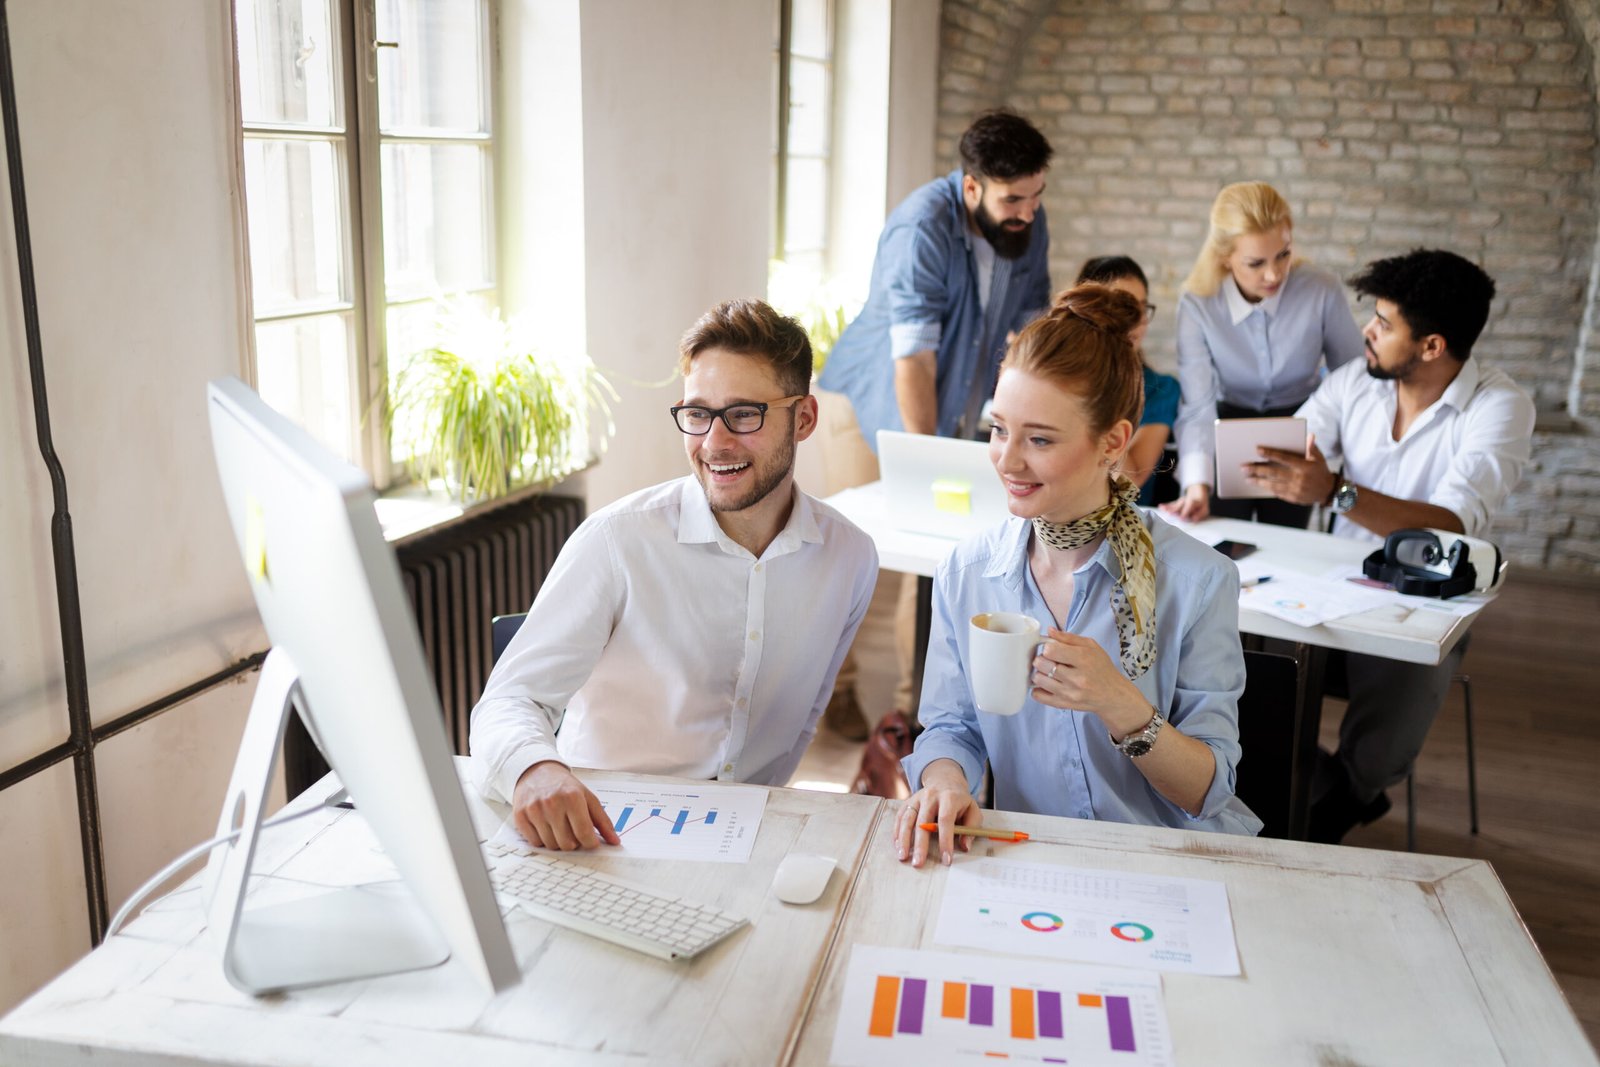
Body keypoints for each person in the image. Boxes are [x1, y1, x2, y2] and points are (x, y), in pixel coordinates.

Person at [470, 299, 879, 851]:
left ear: (803, 419)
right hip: (602, 833)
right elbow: (507, 700)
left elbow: (801, 721)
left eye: (743, 414)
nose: (714, 442)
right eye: (698, 414)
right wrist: (534, 769)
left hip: (748, 834)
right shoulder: (618, 540)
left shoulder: (850, 558)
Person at [892, 285, 1261, 868]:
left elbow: (1208, 790)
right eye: (998, 429)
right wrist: (946, 781)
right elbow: (951, 726)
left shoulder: (1198, 580)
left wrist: (1122, 704)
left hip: (1172, 864)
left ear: (1112, 442)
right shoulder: (965, 573)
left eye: (1039, 439)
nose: (1008, 461)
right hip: (1032, 862)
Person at [1244, 249, 1535, 843]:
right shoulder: (1357, 381)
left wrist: (1335, 491)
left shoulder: (1500, 407)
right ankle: (1295, 790)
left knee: (1379, 756)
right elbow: (1294, 451)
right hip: (1325, 584)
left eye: (1383, 323)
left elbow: (1449, 527)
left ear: (1432, 346)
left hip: (1423, 602)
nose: (1367, 332)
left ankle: (1347, 794)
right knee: (1237, 666)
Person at [814, 109, 1053, 740]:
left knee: (933, 560)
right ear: (971, 187)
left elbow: (1029, 333)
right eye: (1013, 199)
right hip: (870, 403)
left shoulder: (1026, 219)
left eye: (1036, 195)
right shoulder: (922, 225)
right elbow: (913, 358)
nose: (1028, 211)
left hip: (948, 411)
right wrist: (927, 457)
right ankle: (831, 695)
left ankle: (912, 716)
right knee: (857, 559)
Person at [1163, 181, 1365, 527]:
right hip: (1226, 426)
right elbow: (1197, 404)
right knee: (1224, 543)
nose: (1274, 274)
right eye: (1256, 263)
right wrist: (1197, 483)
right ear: (1224, 257)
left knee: (1289, 544)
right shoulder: (1197, 304)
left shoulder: (1321, 290)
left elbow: (1353, 377)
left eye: (1283, 255)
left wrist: (1332, 449)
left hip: (1303, 423)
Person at [1074, 255, 1178, 506]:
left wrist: (1111, 383)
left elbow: (1128, 480)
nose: (1137, 319)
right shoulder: (1060, 384)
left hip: (1127, 525)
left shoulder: (1161, 389)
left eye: (1142, 308)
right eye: (1122, 307)